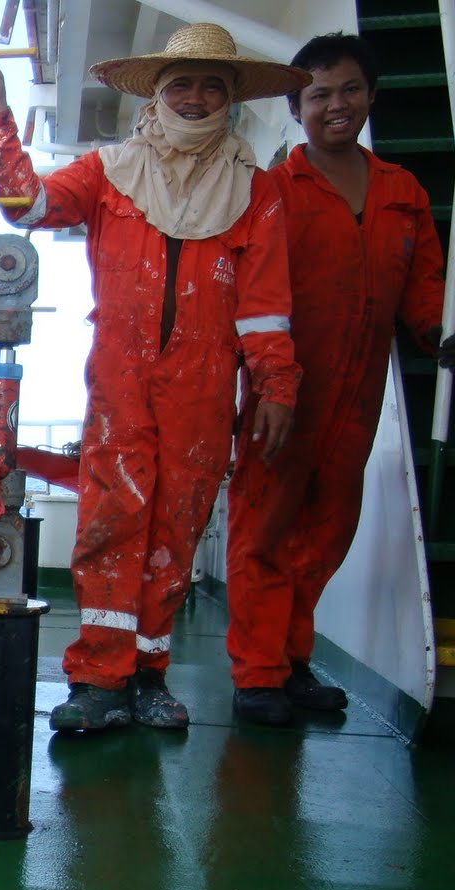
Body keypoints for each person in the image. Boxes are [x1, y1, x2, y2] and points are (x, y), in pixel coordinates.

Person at [0, 23, 306, 733]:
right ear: (156, 90)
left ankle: (148, 674)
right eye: (181, 81)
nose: (195, 95)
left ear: (233, 95)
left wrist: (275, 388)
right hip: (119, 385)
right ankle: (97, 678)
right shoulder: (107, 169)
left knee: (177, 527)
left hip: (206, 389)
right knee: (109, 520)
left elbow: (266, 309)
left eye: (213, 83)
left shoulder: (260, 191)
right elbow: (27, 202)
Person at [225, 32, 452, 725]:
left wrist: (439, 333)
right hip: (284, 393)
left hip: (358, 398)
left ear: (371, 96)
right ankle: (257, 674)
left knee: (327, 531)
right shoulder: (272, 192)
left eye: (350, 89)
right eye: (319, 94)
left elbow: (425, 290)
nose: (336, 105)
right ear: (296, 109)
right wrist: (268, 386)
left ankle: (291, 662)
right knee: (263, 528)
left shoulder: (402, 191)